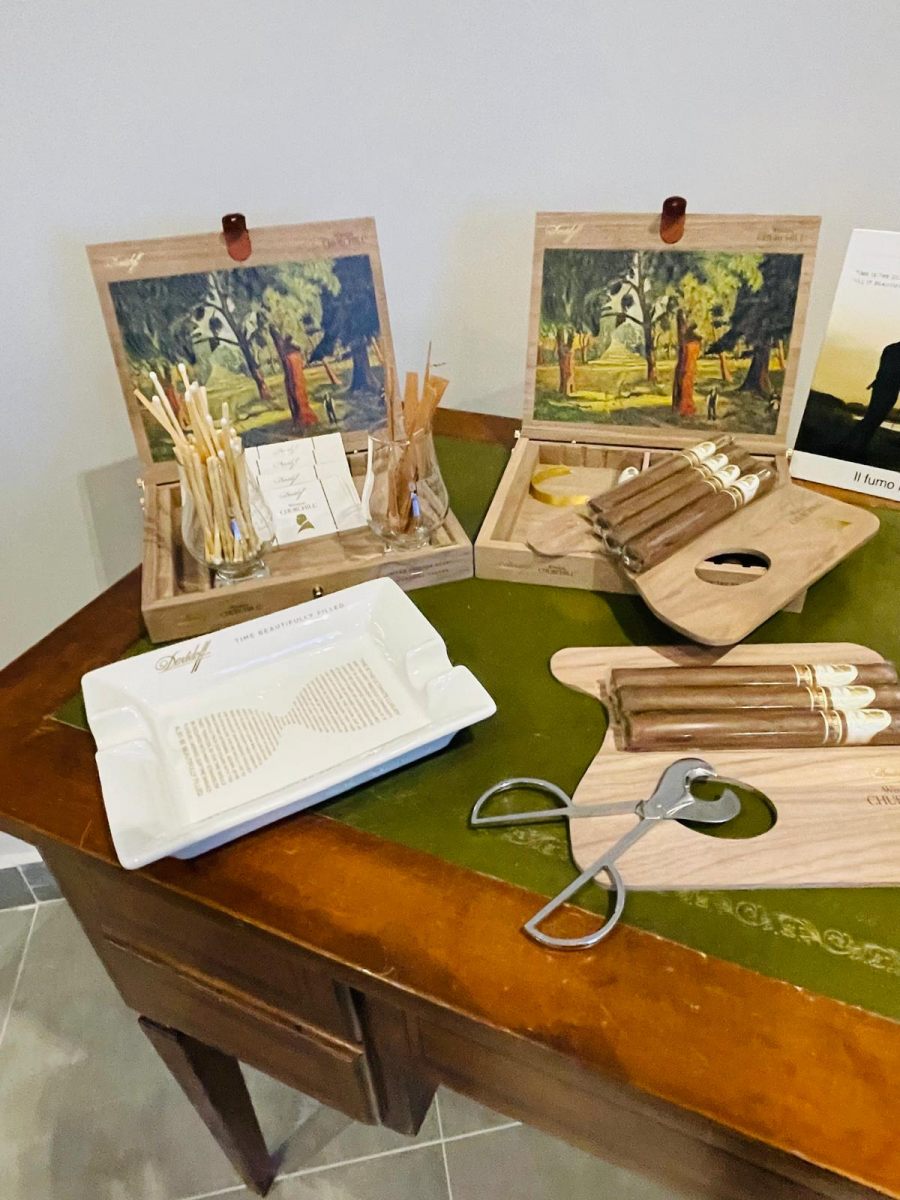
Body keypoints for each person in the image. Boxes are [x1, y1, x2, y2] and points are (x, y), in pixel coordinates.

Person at [850, 340, 900, 456]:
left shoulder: (890, 348)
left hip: (882, 388)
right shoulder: (893, 350)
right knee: (873, 420)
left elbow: (883, 371)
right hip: (888, 389)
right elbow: (890, 373)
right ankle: (856, 446)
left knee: (871, 418)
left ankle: (856, 445)